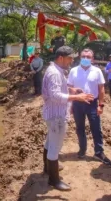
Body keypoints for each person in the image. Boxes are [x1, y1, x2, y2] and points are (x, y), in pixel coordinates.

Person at [42, 46, 94, 191]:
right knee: (55, 147)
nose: (72, 60)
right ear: (61, 58)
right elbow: (55, 96)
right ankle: (54, 180)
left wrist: (71, 90)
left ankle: (48, 168)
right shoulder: (55, 74)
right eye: (70, 58)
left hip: (52, 114)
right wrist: (77, 97)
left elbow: (58, 90)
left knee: (49, 142)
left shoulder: (56, 71)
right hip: (56, 116)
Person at [67, 48, 111, 164]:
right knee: (80, 128)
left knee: (96, 128)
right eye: (83, 56)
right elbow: (69, 88)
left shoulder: (97, 71)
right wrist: (71, 104)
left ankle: (99, 152)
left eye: (88, 57)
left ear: (92, 59)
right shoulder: (73, 71)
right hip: (77, 103)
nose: (85, 58)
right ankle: (82, 149)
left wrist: (100, 105)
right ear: (80, 57)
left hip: (92, 103)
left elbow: (101, 89)